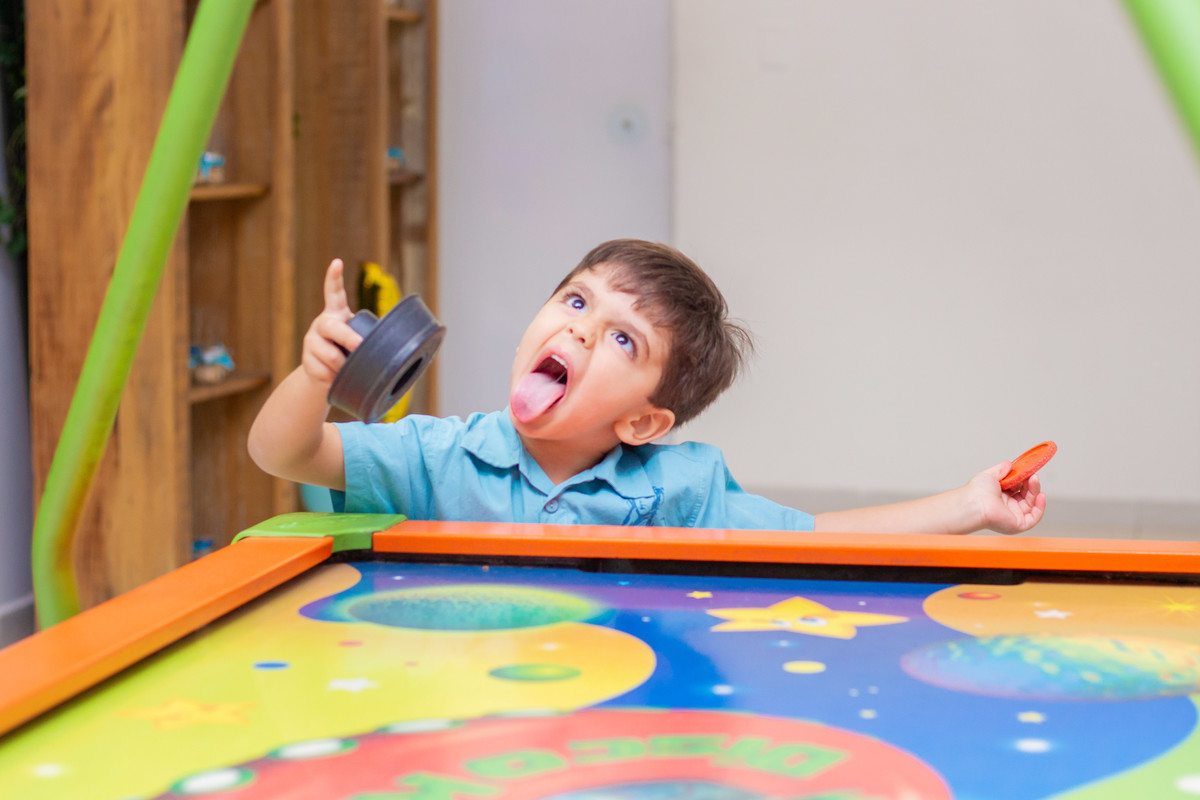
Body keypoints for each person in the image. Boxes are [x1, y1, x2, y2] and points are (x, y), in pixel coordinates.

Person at [248, 239, 1046, 535]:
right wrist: (317, 375)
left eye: (622, 338)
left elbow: (821, 536)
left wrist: (970, 504)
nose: (583, 330)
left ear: (643, 422)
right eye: (576, 300)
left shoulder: (681, 488)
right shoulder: (439, 455)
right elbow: (286, 454)